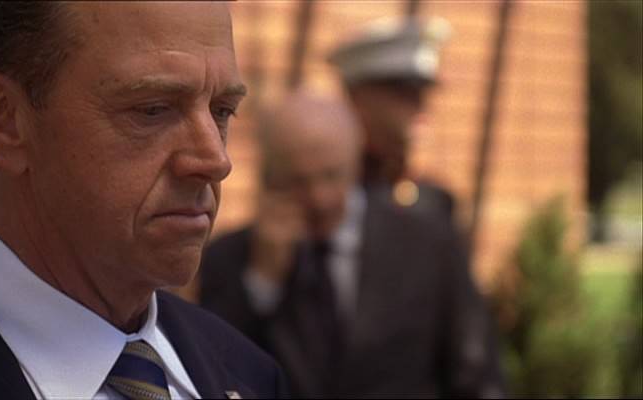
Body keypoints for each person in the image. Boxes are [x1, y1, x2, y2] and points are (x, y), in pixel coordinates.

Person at [0, 2, 288, 399]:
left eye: (222, 111)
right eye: (153, 110)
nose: (216, 160)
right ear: (2, 118)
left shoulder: (251, 373)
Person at [198, 91, 504, 398]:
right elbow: (211, 371)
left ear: (356, 162)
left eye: (331, 176)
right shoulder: (232, 257)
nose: (319, 198)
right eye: (298, 181)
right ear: (270, 178)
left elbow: (475, 372)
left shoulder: (428, 244)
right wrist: (262, 282)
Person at [328, 16, 457, 226]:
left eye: (421, 94)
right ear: (359, 99)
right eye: (404, 94)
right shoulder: (324, 198)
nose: (419, 107)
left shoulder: (434, 202)